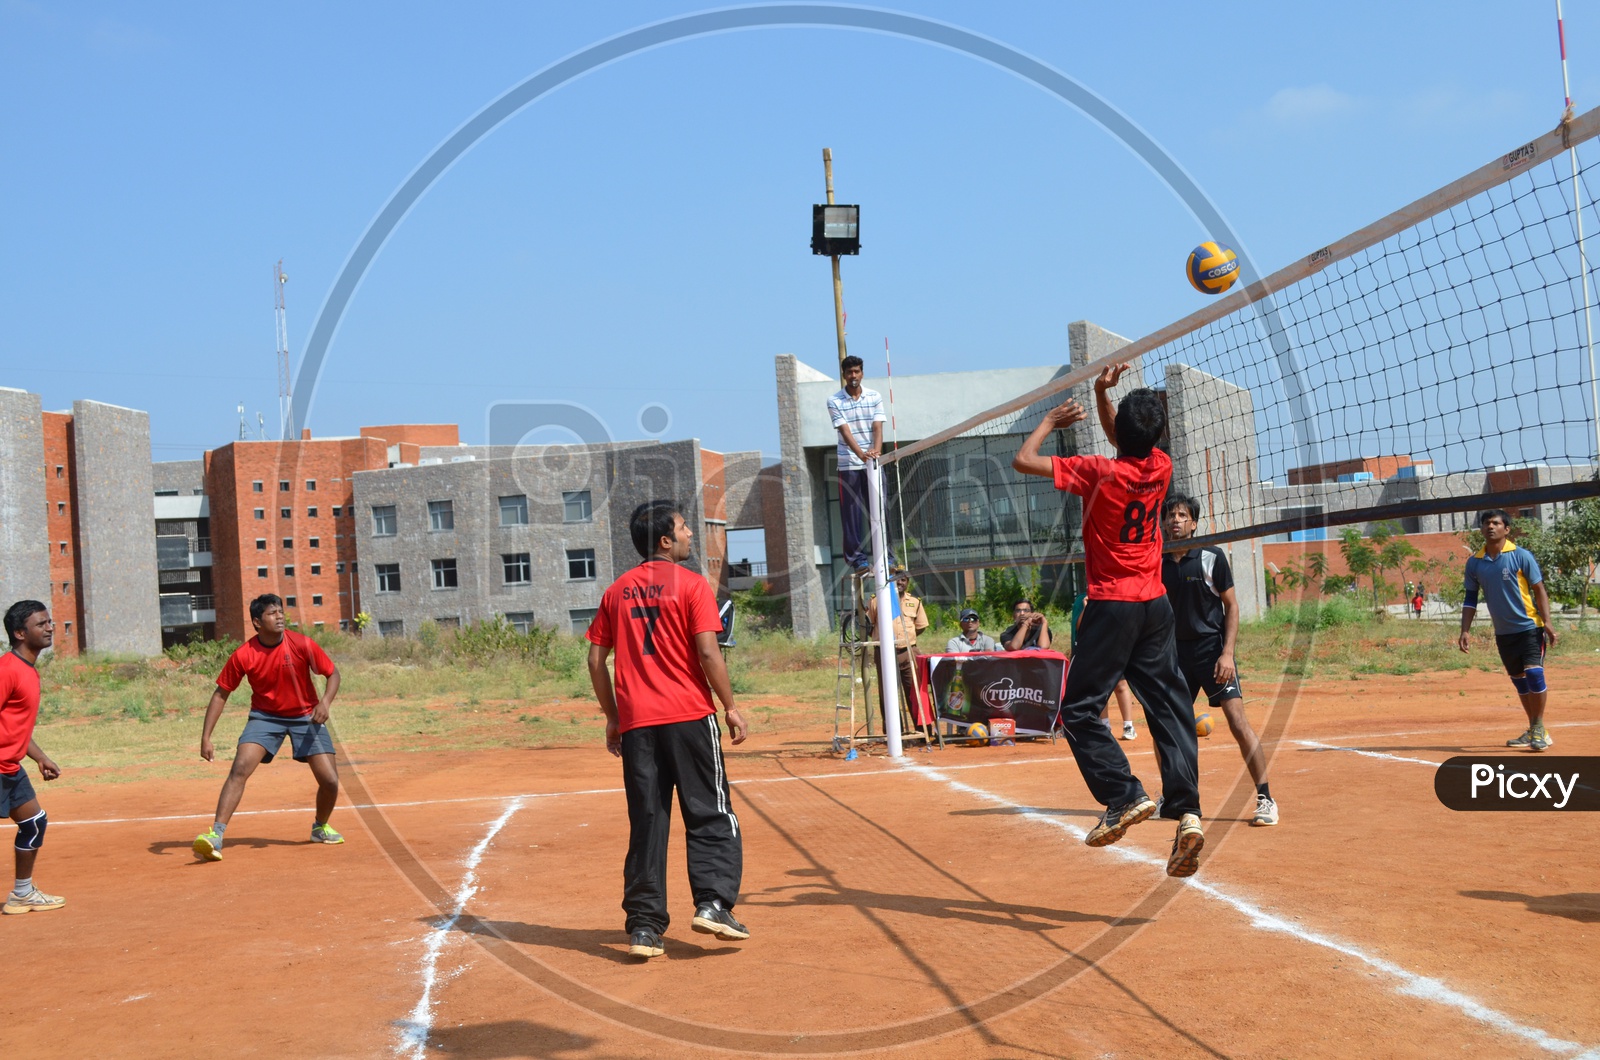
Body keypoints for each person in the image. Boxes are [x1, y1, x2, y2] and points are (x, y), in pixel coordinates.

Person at [1012, 364, 1204, 878]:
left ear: (1120, 431)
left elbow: (1022, 459)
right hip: (1155, 604)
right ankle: (1187, 811)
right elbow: (1127, 439)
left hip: (1111, 604)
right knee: (1170, 705)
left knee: (1077, 710)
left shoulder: (1099, 471)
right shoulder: (1161, 466)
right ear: (1157, 436)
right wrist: (1102, 394)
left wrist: (1052, 420)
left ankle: (1125, 795)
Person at [587, 500, 750, 960]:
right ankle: (714, 904)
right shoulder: (693, 585)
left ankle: (643, 927)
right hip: (690, 718)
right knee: (711, 812)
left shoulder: (616, 591)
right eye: (683, 528)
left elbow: (595, 661)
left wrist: (614, 717)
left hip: (639, 725)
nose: (689, 535)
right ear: (665, 540)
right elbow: (708, 652)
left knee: (648, 823)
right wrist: (731, 706)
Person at [192, 593, 343, 861]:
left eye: (281, 612)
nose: (280, 616)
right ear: (257, 622)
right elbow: (220, 694)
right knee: (239, 768)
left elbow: (333, 673)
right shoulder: (244, 654)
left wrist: (325, 703)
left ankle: (320, 826)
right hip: (265, 718)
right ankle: (216, 835)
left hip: (307, 716)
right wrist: (206, 737)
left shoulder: (302, 644)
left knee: (330, 780)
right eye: (272, 613)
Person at [1160, 495, 1278, 826]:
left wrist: (1227, 653)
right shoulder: (1155, 561)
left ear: (1194, 523)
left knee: (1238, 722)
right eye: (1170, 516)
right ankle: (1172, 796)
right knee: (1165, 728)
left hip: (1212, 652)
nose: (1175, 520)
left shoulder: (1212, 557)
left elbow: (1233, 607)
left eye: (1182, 515)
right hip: (1174, 655)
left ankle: (1265, 798)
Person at [1459, 509, 1557, 751]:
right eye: (1486, 523)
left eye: (1495, 523)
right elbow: (1470, 598)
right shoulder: (1475, 563)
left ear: (1506, 529)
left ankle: (1538, 728)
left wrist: (1548, 622)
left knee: (1534, 674)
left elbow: (1539, 589)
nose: (1490, 526)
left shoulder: (1521, 556)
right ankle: (1536, 728)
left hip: (1529, 627)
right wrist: (1465, 630)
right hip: (1504, 633)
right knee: (1520, 681)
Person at [0, 601, 65, 914]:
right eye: (41, 624)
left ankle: (22, 894)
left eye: (49, 622)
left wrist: (39, 757)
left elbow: (15, 726)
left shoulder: (27, 671)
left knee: (34, 823)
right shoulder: (7, 671)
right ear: (19, 633)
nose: (50, 627)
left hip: (10, 768)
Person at [827, 355, 885, 573]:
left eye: (857, 371)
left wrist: (875, 453)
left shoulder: (874, 396)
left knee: (879, 509)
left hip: (873, 462)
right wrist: (861, 454)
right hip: (849, 463)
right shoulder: (834, 401)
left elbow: (878, 427)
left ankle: (885, 556)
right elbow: (845, 431)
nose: (853, 376)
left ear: (862, 373)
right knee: (851, 514)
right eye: (849, 372)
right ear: (843, 374)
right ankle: (858, 560)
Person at [867, 567, 931, 736]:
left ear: (907, 582)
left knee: (915, 692)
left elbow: (921, 626)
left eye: (903, 579)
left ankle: (923, 731)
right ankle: (894, 734)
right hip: (885, 653)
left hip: (908, 652)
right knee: (888, 694)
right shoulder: (877, 601)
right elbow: (869, 625)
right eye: (895, 578)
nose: (900, 582)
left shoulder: (915, 602)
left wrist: (907, 639)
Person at [1073, 590, 1136, 741]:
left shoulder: (1115, 596)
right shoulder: (1082, 599)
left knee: (1120, 685)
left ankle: (1128, 726)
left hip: (1114, 646)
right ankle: (1104, 725)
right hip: (1094, 649)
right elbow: (1079, 627)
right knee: (1100, 688)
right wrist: (1087, 608)